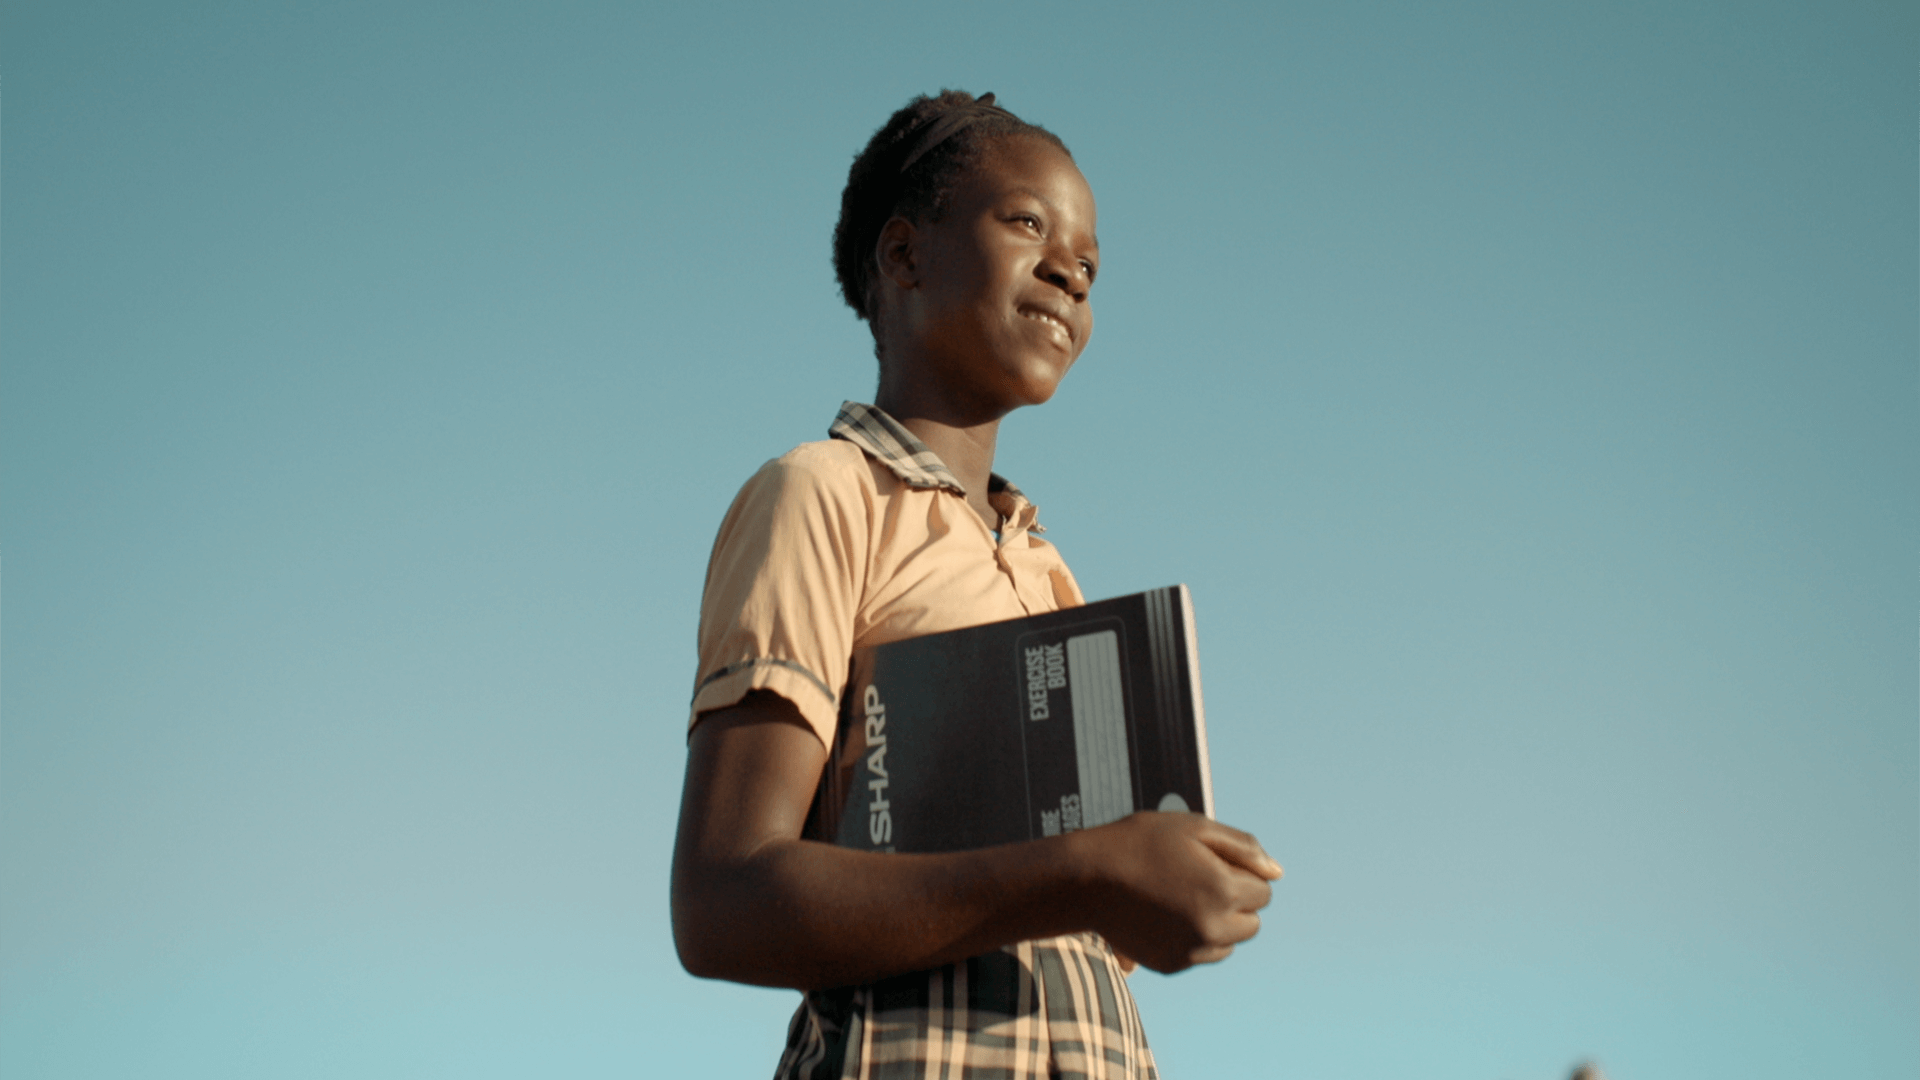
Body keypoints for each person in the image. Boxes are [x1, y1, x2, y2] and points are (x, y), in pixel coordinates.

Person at [671, 89, 1282, 1080]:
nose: (1068, 275)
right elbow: (721, 901)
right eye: (1028, 224)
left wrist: (1170, 889)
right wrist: (1086, 870)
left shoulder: (1049, 569)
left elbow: (1075, 932)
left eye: (1088, 265)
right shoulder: (824, 494)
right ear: (906, 257)